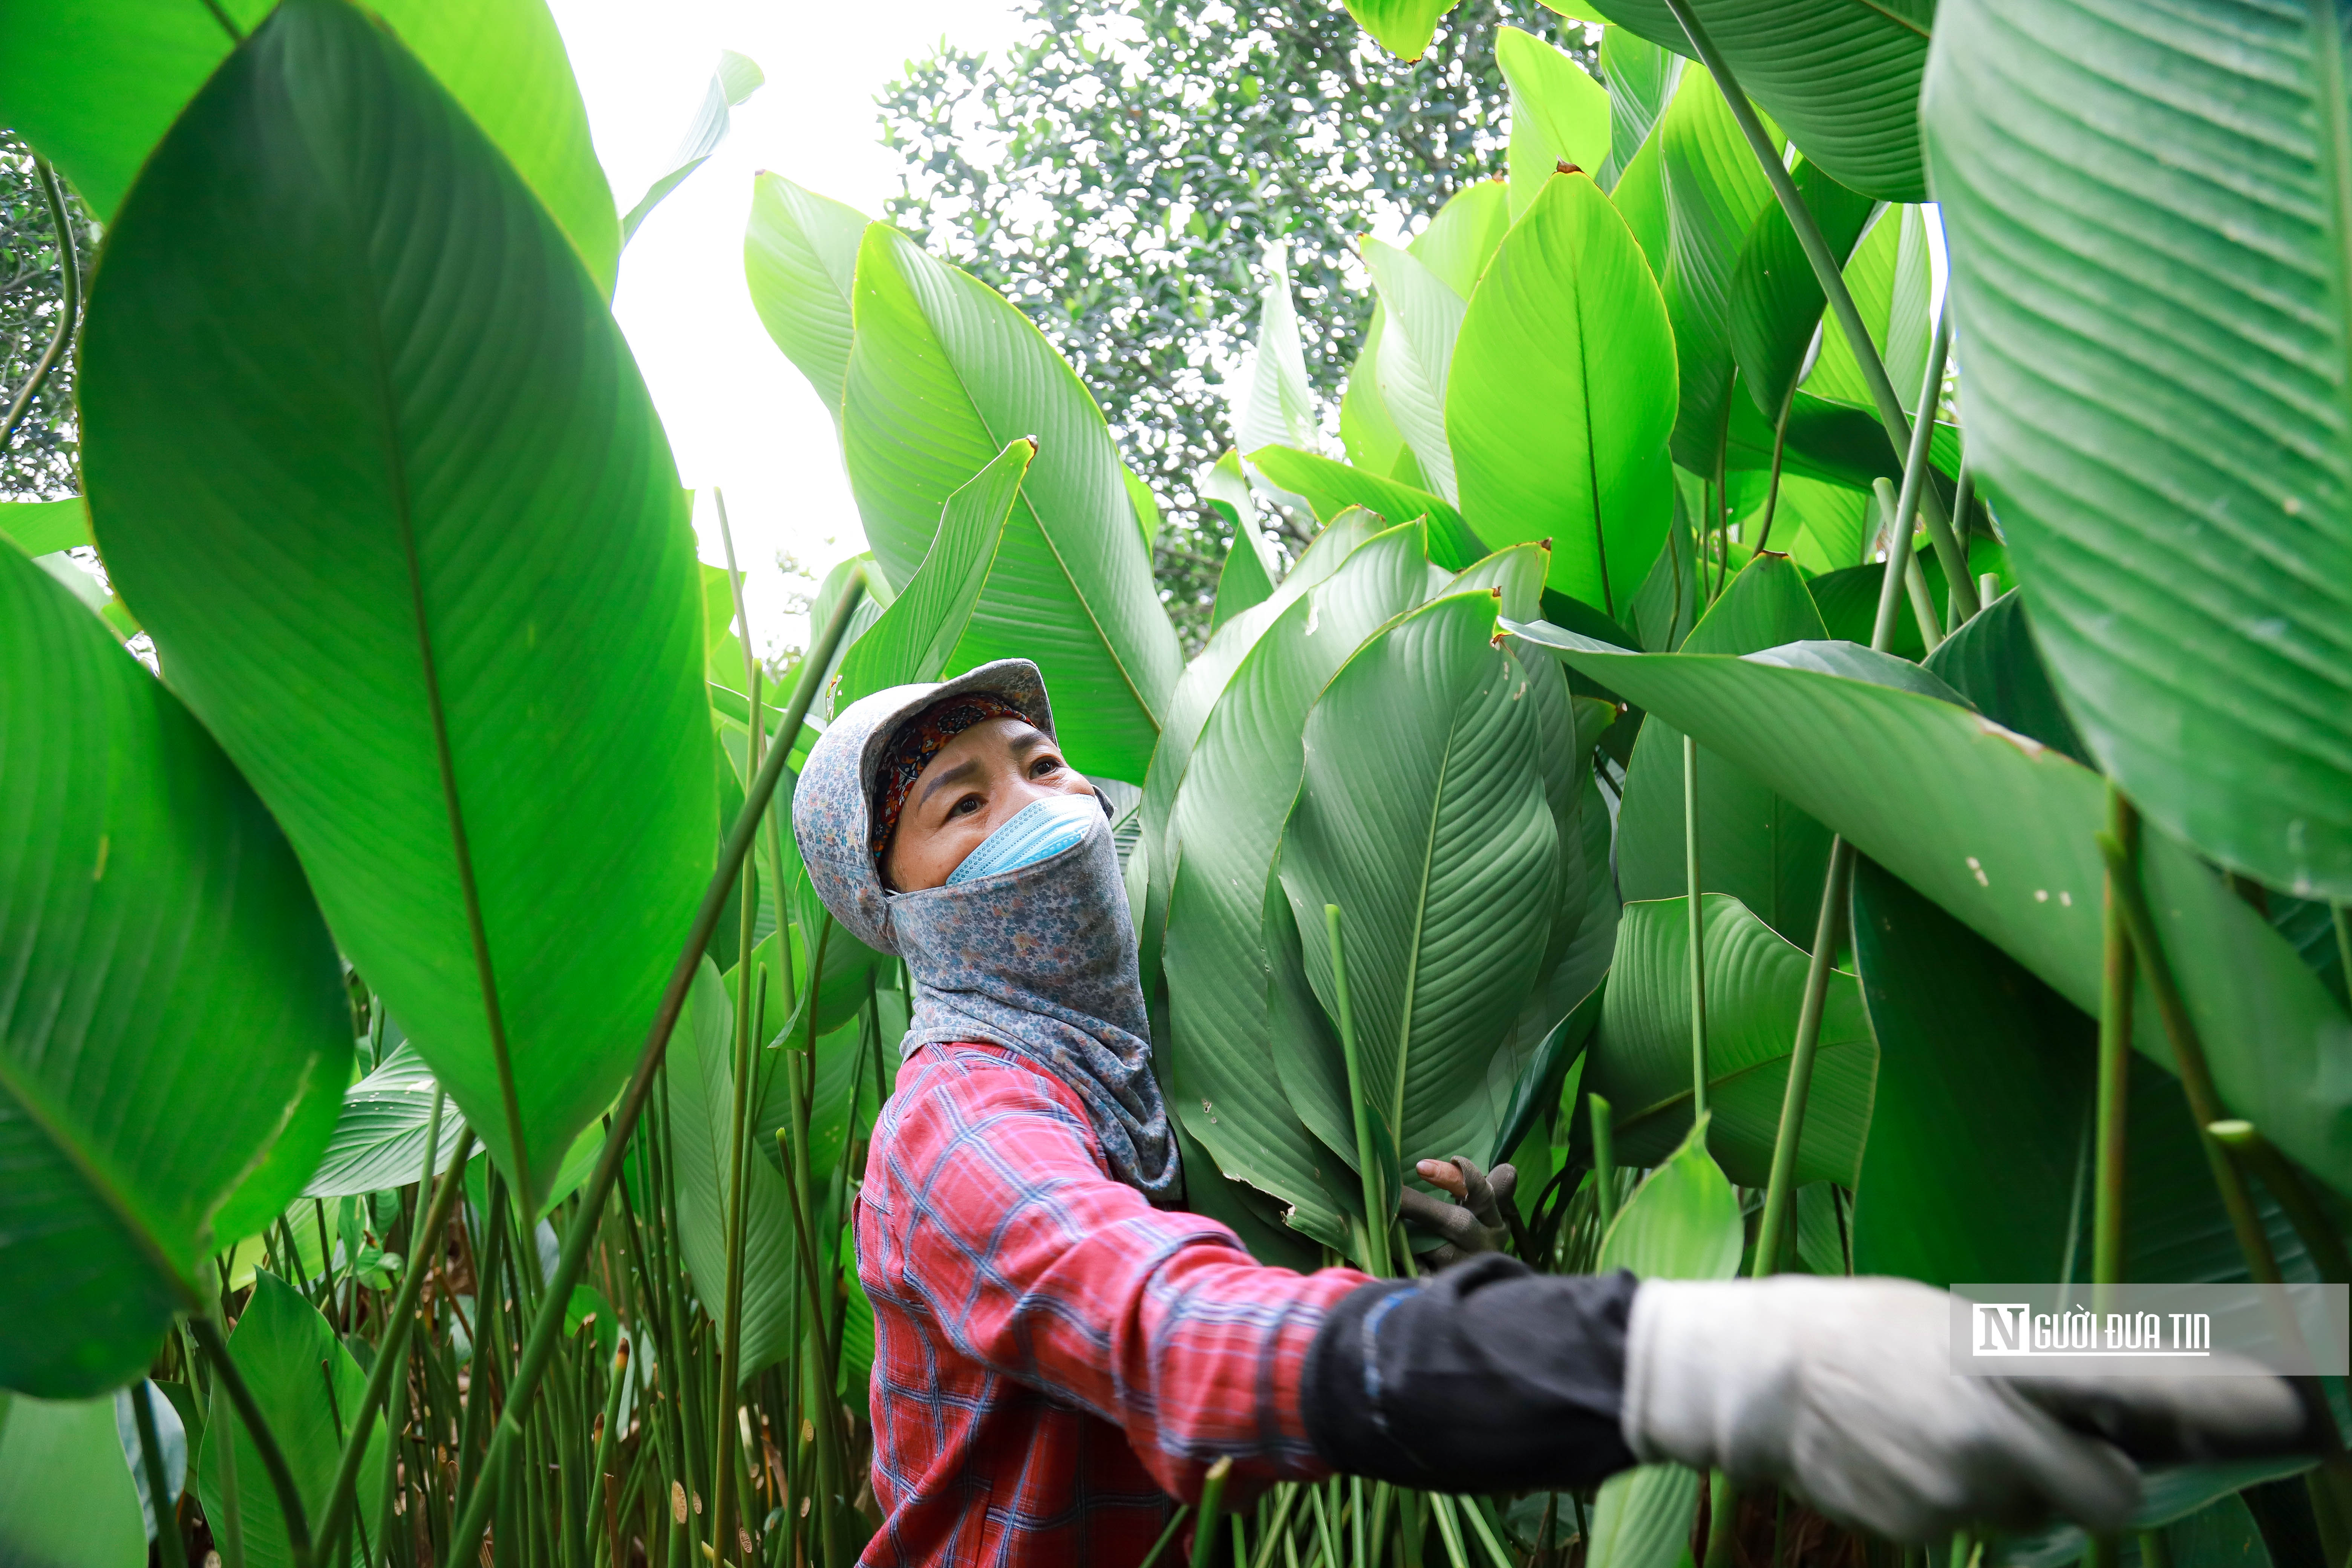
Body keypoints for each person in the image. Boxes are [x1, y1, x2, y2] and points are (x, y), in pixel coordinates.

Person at [792, 659, 2314, 1568]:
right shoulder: (965, 1124)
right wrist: (1683, 1353)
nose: (1045, 808)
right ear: (896, 908)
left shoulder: (1115, 1079)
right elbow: (1172, 1331)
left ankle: (2291, 1349)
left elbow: (1241, 1283)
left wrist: (1453, 1270)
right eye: (964, 803)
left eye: (1042, 766)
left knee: (2172, 1346)